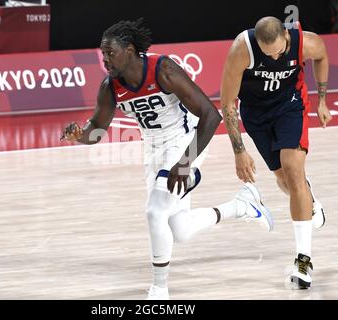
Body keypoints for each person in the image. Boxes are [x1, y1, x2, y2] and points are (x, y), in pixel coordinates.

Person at [61, 18, 273, 299]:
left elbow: (211, 116)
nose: (105, 59)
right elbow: (97, 131)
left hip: (184, 140)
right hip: (154, 150)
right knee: (180, 230)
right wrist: (80, 134)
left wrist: (185, 164)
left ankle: (158, 289)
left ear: (130, 50)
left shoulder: (162, 69)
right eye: (103, 54)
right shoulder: (109, 87)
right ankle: (242, 205)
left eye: (110, 52)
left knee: (155, 211)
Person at [220, 16, 332, 289]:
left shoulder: (304, 42)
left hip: (290, 106)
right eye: (268, 54)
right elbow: (227, 103)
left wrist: (322, 100)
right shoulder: (242, 49)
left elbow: (322, 56)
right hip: (256, 115)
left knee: (293, 172)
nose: (275, 57)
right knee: (285, 179)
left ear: (285, 35)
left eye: (279, 52)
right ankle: (308, 196)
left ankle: (303, 260)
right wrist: (239, 151)